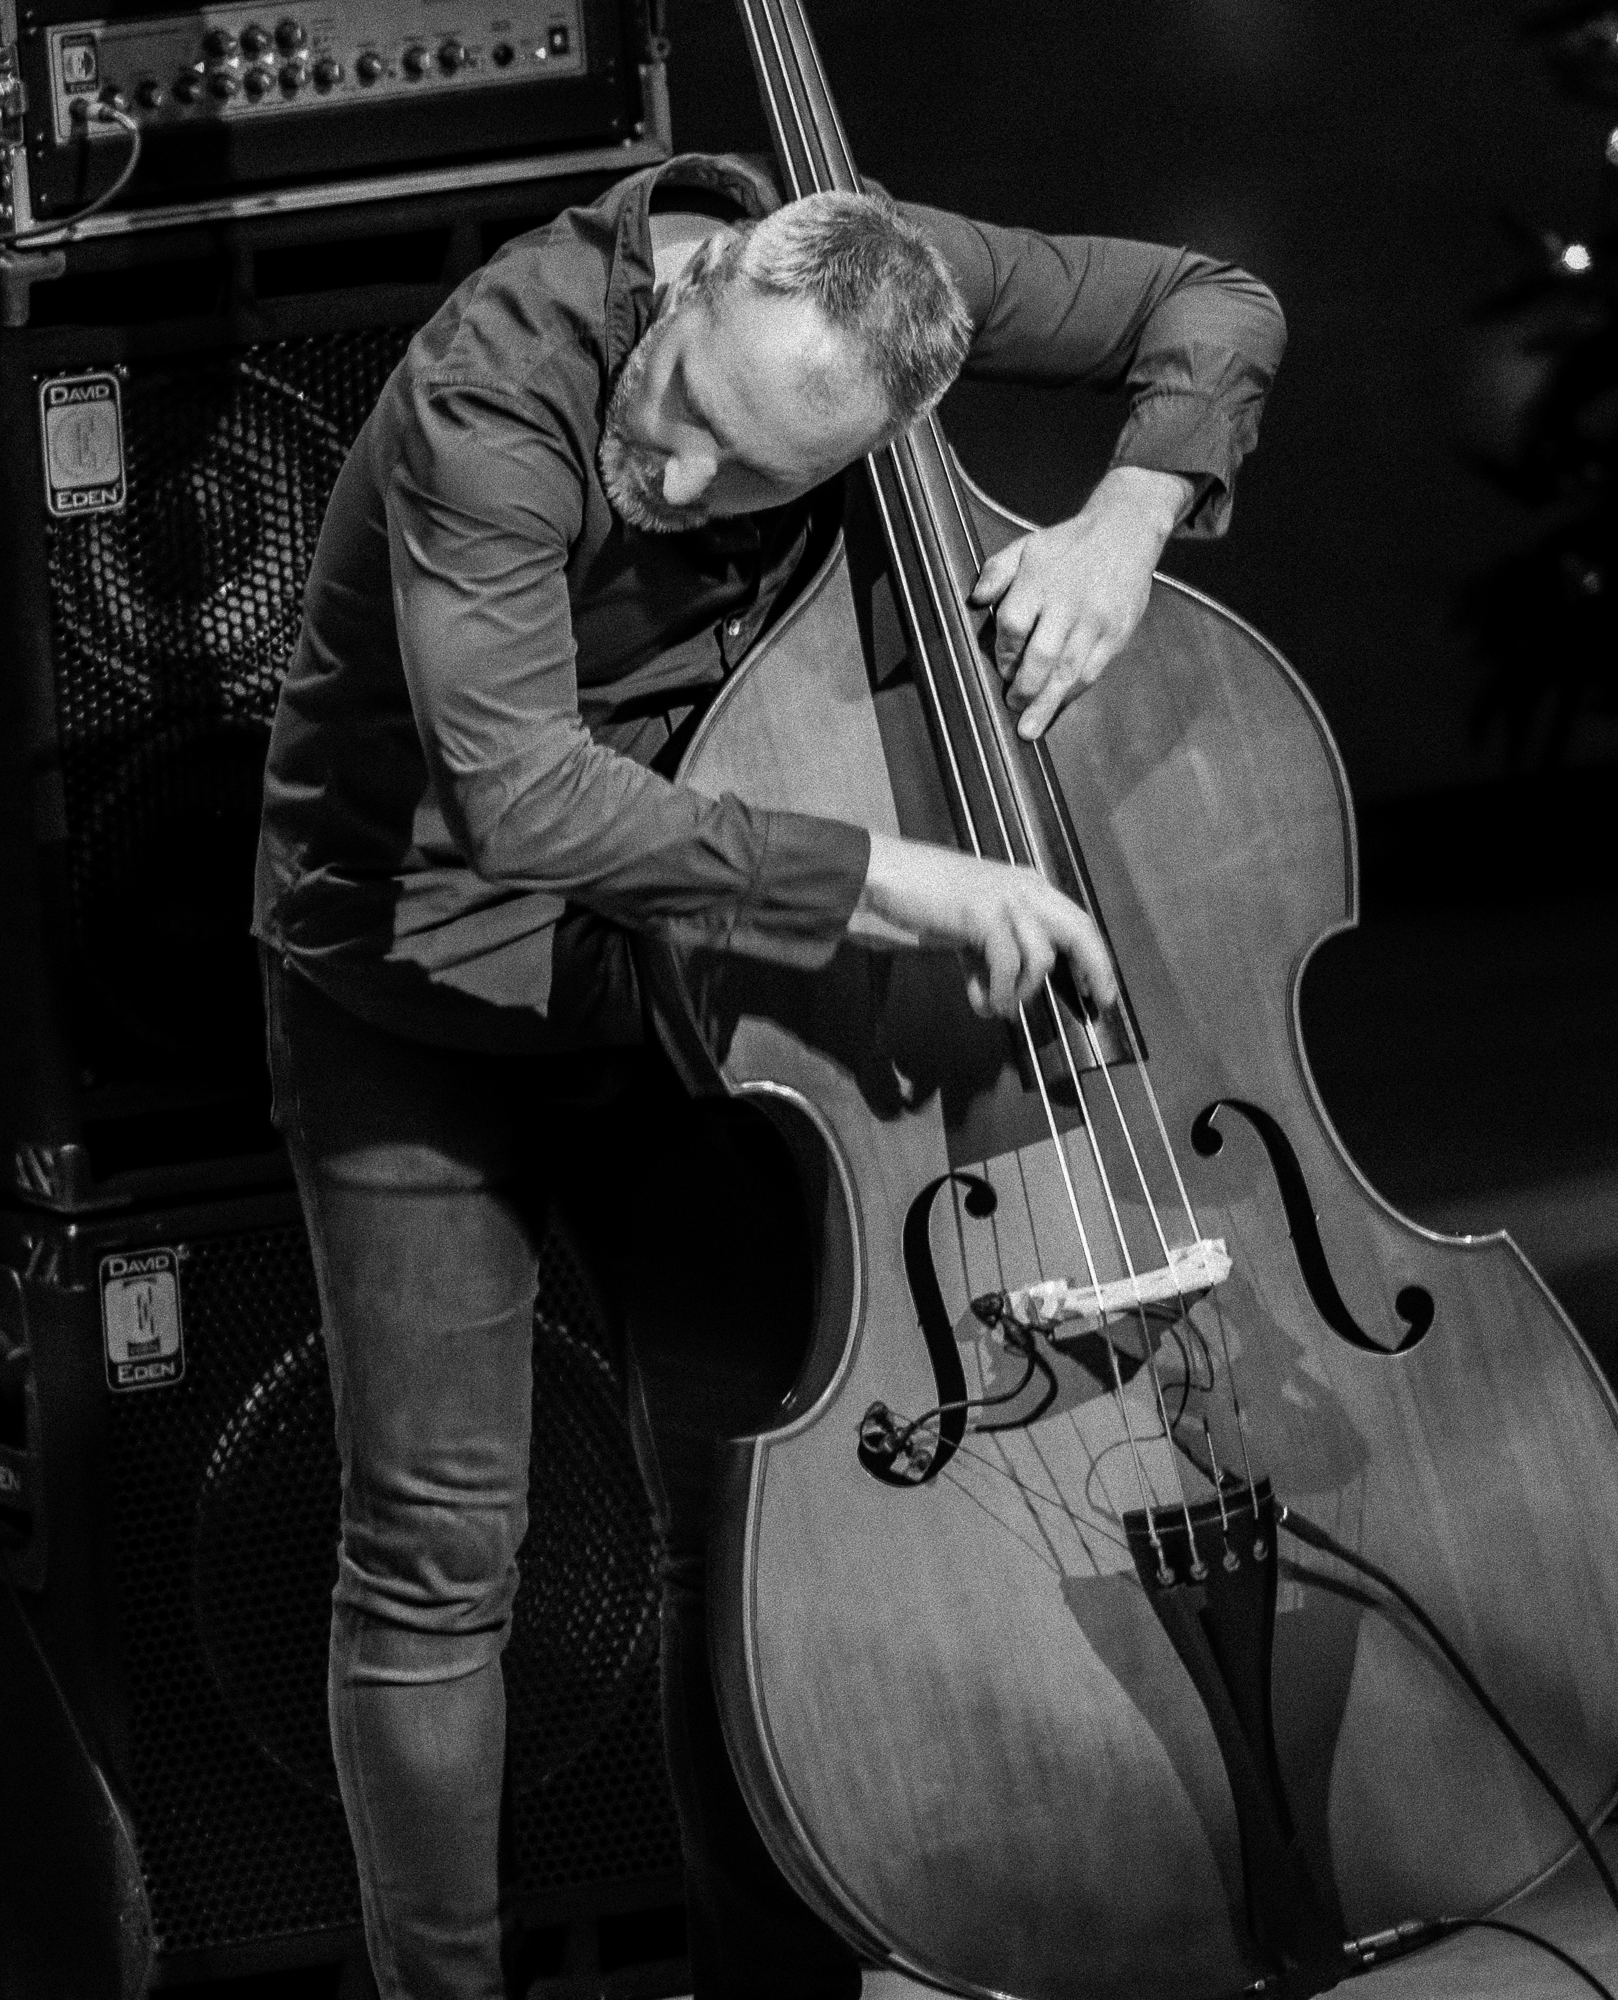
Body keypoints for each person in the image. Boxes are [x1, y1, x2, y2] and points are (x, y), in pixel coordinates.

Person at [253, 150, 1284, 2000]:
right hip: (419, 982)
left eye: (758, 477)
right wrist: (892, 879)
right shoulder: (491, 393)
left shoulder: (907, 279)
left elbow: (1214, 302)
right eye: (679, 420)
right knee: (436, 1554)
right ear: (699, 277)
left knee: (740, 1521)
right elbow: (526, 798)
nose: (676, 484)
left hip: (704, 992)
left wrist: (1123, 522)